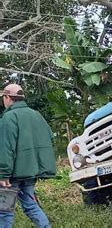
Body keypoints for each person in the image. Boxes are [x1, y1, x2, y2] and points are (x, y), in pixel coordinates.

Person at [0, 84, 56, 228]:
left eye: (3, 98)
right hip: (30, 172)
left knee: (5, 211)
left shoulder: (8, 118)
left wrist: (3, 174)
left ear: (7, 98)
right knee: (31, 204)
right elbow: (50, 138)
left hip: (11, 175)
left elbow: (6, 148)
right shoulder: (37, 115)